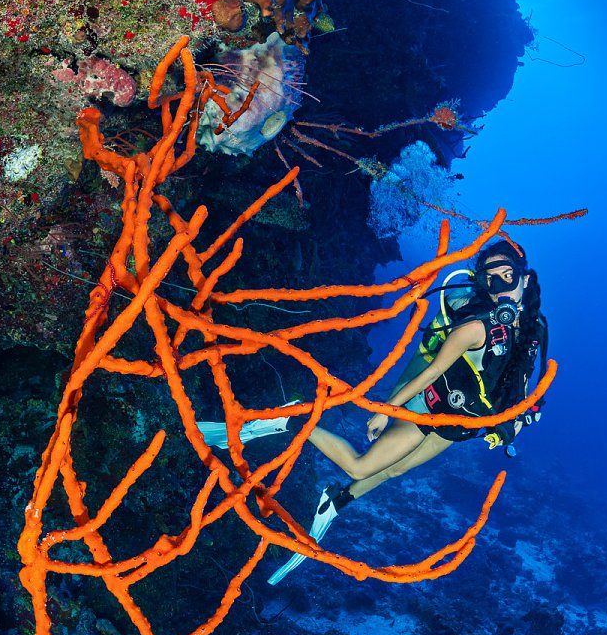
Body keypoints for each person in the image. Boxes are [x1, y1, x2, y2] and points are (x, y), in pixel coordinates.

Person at [199, 240, 548, 581]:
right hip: (432, 412)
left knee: (393, 472)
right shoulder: (475, 328)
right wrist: (386, 409)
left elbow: (519, 381)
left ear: (526, 280)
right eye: (491, 279)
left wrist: (518, 418)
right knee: (359, 465)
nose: (502, 286)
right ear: (482, 286)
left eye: (509, 277)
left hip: (461, 427)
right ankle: (292, 419)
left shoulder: (537, 328)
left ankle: (335, 500)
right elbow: (431, 372)